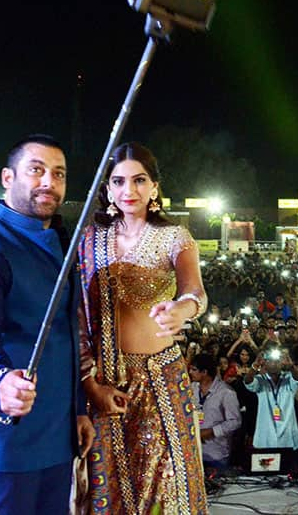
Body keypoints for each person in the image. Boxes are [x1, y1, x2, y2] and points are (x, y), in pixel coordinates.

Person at [0, 134, 94, 515]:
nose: (49, 182)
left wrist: (77, 409)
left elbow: (65, 337)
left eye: (58, 174)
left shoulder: (60, 242)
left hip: (57, 438)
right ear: (8, 178)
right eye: (36, 170)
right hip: (4, 444)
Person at [78, 142, 208, 514]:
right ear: (106, 189)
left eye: (139, 180)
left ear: (154, 187)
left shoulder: (174, 237)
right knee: (108, 488)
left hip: (160, 382)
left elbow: (195, 291)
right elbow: (77, 318)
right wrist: (89, 382)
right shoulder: (89, 241)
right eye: (118, 182)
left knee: (165, 491)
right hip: (104, 384)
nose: (128, 191)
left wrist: (183, 310)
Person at [189, 353, 242, 471]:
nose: (190, 372)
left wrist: (212, 432)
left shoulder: (226, 392)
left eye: (194, 369)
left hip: (216, 454)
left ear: (205, 372)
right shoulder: (191, 388)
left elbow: (235, 422)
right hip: (194, 453)